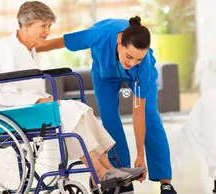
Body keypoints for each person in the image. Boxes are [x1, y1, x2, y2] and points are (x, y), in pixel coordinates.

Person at [0, 1, 144, 189]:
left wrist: (41, 99)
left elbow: (27, 85)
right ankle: (100, 172)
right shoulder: (5, 48)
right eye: (43, 26)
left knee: (80, 109)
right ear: (25, 25)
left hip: (29, 108)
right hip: (9, 112)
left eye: (49, 26)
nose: (48, 32)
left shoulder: (28, 49)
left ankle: (111, 168)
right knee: (68, 112)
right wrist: (37, 100)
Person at [36, 16, 177, 194]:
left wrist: (140, 155)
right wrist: (27, 48)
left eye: (138, 59)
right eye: (129, 57)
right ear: (120, 44)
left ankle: (165, 181)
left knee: (150, 116)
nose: (132, 63)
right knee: (110, 120)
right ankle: (121, 177)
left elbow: (138, 113)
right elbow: (60, 42)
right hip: (105, 75)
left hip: (139, 78)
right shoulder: (99, 35)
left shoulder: (143, 64)